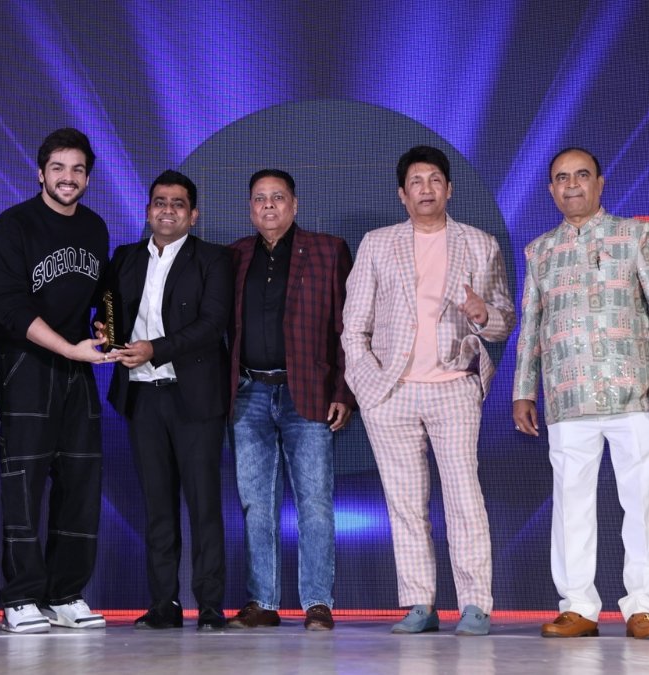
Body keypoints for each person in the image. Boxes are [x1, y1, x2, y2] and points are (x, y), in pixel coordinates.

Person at [341, 146, 515, 636]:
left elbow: (503, 322)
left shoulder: (480, 244)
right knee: (405, 503)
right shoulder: (377, 244)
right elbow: (353, 325)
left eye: (435, 180)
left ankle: (475, 604)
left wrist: (483, 313)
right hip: (391, 391)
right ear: (402, 194)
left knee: (464, 497)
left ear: (449, 189)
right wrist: (368, 383)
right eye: (416, 181)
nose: (426, 189)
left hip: (454, 386)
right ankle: (419, 602)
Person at [512, 147, 649, 640]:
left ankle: (643, 607)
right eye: (562, 178)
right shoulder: (540, 251)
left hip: (636, 392)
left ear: (600, 183)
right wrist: (524, 391)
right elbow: (531, 326)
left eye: (581, 175)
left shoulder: (635, 235)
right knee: (571, 504)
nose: (572, 185)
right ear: (551, 189)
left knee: (644, 500)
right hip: (567, 395)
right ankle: (578, 607)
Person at [0, 128, 111, 633]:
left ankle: (64, 594)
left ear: (88, 178)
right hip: (27, 365)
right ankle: (21, 598)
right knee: (24, 484)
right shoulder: (14, 224)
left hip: (77, 368)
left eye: (78, 169)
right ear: (40, 173)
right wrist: (68, 347)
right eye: (58, 167)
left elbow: (99, 298)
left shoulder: (95, 227)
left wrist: (102, 329)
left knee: (80, 482)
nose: (68, 177)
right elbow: (10, 307)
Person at [99, 170, 232, 631]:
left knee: (203, 505)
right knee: (157, 506)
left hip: (194, 397)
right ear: (148, 211)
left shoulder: (213, 259)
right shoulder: (125, 257)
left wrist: (154, 349)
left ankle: (210, 606)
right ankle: (163, 604)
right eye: (160, 202)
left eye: (178, 203)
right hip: (142, 396)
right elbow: (109, 308)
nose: (168, 210)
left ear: (193, 215)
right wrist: (107, 332)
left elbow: (212, 325)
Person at [226, 169, 355, 632]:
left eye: (277, 197)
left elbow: (347, 326)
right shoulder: (235, 256)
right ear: (250, 208)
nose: (268, 205)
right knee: (255, 504)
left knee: (315, 503)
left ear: (294, 205)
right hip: (248, 394)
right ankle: (262, 601)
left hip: (309, 394)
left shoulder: (328, 250)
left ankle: (318, 602)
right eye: (259, 198)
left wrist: (343, 391)